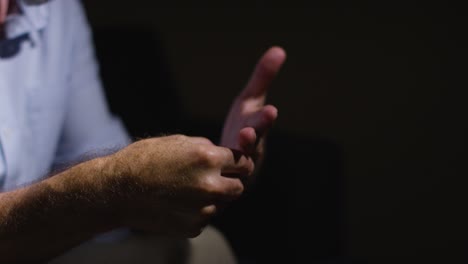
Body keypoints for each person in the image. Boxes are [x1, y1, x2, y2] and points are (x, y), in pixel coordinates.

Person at [0, 0, 286, 263]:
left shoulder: (58, 9)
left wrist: (219, 167)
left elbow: (97, 161)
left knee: (205, 250)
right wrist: (112, 185)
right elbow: (106, 184)